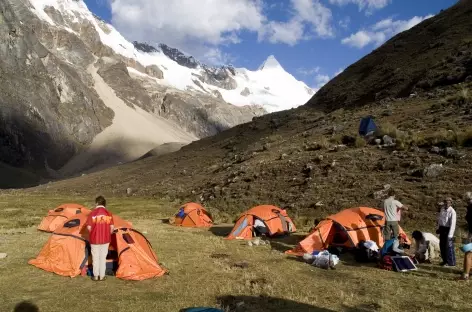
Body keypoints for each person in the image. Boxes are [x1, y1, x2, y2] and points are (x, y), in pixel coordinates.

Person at [86, 196, 114, 281]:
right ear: (104, 204)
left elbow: (89, 227)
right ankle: (102, 276)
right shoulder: (108, 213)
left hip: (94, 239)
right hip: (105, 239)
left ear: (97, 203)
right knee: (103, 258)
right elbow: (112, 228)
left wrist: (93, 232)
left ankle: (95, 276)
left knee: (95, 257)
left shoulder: (92, 213)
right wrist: (107, 233)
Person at [437, 197, 457, 267]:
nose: (447, 203)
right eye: (445, 202)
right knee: (442, 245)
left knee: (448, 246)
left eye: (448, 202)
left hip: (448, 230)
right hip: (442, 229)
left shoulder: (452, 211)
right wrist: (438, 228)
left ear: (451, 203)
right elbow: (440, 219)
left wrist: (450, 235)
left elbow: (453, 224)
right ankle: (444, 260)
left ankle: (451, 262)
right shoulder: (442, 209)